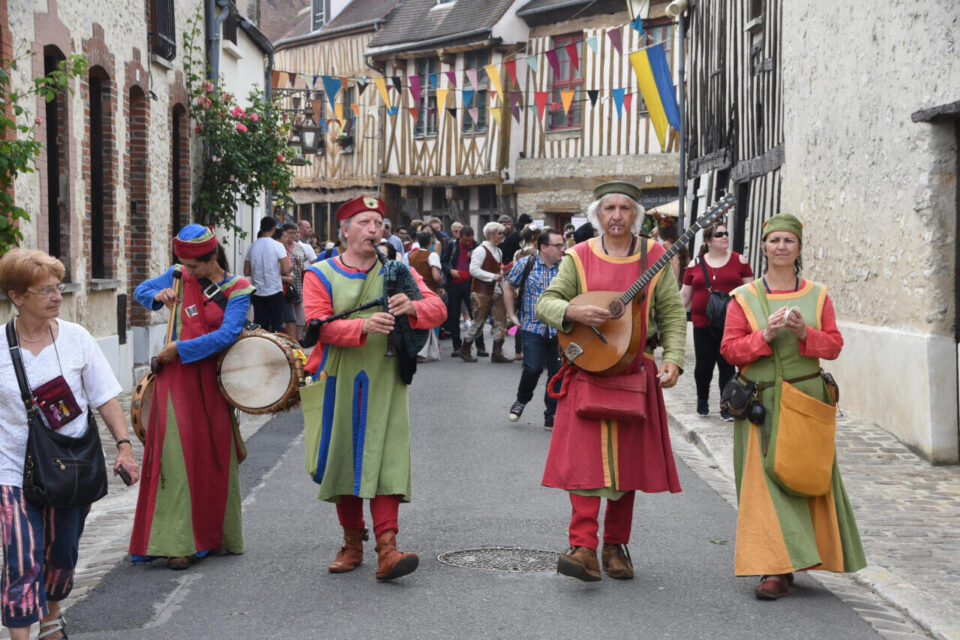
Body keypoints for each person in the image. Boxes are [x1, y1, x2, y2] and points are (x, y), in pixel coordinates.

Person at [536, 181, 686, 582]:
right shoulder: (579, 257)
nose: (617, 215)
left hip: (637, 369)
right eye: (609, 209)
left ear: (636, 214)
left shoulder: (656, 256)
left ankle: (615, 545)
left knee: (627, 464)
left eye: (624, 208)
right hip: (589, 368)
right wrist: (576, 311)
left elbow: (672, 312)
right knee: (585, 461)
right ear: (597, 216)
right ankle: (582, 546)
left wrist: (673, 357)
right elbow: (545, 303)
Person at [300, 196, 446, 581]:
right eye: (363, 222)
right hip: (340, 375)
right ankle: (351, 544)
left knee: (387, 459)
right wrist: (361, 327)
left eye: (378, 222)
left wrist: (413, 308)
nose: (373, 229)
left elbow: (438, 310)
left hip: (387, 377)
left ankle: (388, 549)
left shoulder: (398, 271)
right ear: (344, 230)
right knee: (344, 458)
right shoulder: (320, 274)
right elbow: (318, 326)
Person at [720, 213, 865, 600]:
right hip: (759, 403)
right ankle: (774, 568)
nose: (781, 247)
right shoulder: (745, 298)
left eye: (789, 240)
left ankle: (802, 557)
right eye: (774, 240)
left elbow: (833, 346)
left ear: (799, 248)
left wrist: (805, 333)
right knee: (764, 483)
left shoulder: (818, 295)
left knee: (805, 478)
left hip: (807, 399)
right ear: (763, 247)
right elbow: (730, 349)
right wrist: (764, 335)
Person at [0, 249, 139, 640]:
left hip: (70, 465)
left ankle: (52, 614)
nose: (57, 296)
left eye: (58, 287)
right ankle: (23, 635)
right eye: (45, 290)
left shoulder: (77, 338)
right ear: (17, 297)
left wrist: (125, 447)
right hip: (11, 468)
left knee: (61, 555)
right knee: (21, 557)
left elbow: (106, 396)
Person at [130, 225, 254, 571]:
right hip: (176, 381)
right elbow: (141, 290)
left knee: (211, 456)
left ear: (212, 258)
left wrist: (179, 349)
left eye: (195, 266)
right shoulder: (177, 274)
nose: (189, 272)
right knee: (175, 458)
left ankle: (214, 537)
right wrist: (158, 297)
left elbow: (228, 334)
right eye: (184, 265)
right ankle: (177, 543)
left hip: (214, 380)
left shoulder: (238, 288)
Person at [681, 222, 754, 419]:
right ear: (708, 241)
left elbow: (751, 293)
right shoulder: (695, 265)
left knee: (727, 366)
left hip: (731, 324)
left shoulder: (740, 261)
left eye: (726, 233)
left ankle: (726, 405)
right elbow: (684, 297)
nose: (724, 237)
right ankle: (702, 398)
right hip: (702, 323)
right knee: (703, 366)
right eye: (719, 234)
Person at [503, 228, 564, 429]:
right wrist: (511, 315)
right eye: (558, 246)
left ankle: (552, 414)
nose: (562, 249)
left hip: (559, 330)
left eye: (563, 245)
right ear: (544, 247)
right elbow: (509, 286)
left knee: (557, 372)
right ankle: (521, 400)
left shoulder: (565, 268)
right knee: (533, 368)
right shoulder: (526, 264)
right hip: (532, 327)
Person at [456, 221, 510, 363]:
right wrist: (492, 276)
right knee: (478, 322)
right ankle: (465, 348)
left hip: (497, 290)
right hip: (482, 291)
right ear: (491, 234)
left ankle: (497, 353)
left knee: (501, 321)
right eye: (499, 233)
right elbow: (473, 270)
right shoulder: (480, 250)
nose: (501, 236)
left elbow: (498, 270)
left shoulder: (498, 250)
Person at [440, 225, 486, 358]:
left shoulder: (477, 246)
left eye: (470, 240)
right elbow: (443, 261)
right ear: (460, 237)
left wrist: (475, 257)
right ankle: (457, 346)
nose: (468, 243)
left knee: (475, 314)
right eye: (466, 240)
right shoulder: (452, 246)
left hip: (471, 284)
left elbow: (483, 264)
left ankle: (480, 346)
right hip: (454, 284)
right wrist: (450, 270)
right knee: (454, 315)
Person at [244, 217, 291, 332]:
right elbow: (285, 270)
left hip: (258, 292)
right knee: (276, 327)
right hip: (274, 290)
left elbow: (246, 271)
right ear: (274, 228)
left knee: (261, 327)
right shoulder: (277, 246)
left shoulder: (252, 247)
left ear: (261, 228)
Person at [407, 230, 443, 361]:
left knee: (417, 318)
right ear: (430, 243)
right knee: (430, 319)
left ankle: (417, 348)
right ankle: (424, 351)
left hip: (414, 289)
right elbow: (436, 275)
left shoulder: (412, 255)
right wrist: (440, 282)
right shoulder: (432, 255)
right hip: (428, 289)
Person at [280, 221, 307, 342]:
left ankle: (300, 338)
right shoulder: (280, 247)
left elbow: (307, 261)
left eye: (295, 233)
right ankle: (290, 339)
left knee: (300, 311)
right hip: (286, 284)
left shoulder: (300, 247)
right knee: (288, 314)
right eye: (290, 233)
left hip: (299, 284)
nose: (292, 236)